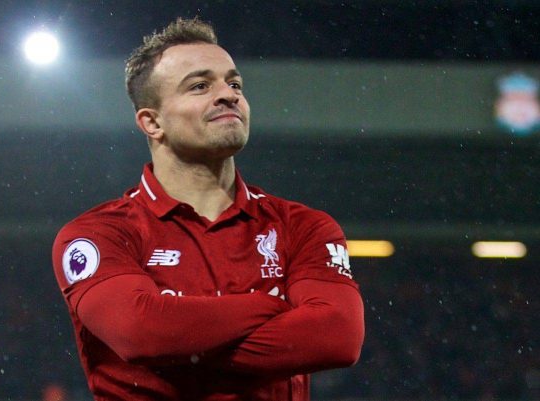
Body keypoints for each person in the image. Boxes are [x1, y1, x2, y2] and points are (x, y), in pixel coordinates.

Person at [52, 17, 364, 401]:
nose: (228, 95)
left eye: (234, 84)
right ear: (152, 122)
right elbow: (142, 332)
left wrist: (180, 348)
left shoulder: (303, 226)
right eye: (200, 86)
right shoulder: (98, 235)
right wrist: (271, 306)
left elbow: (337, 337)